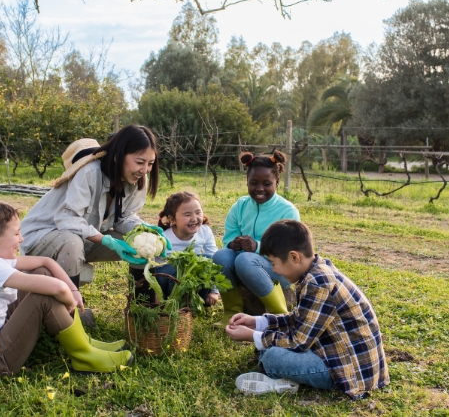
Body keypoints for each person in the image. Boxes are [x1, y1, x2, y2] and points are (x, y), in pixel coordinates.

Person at [0, 200, 132, 376]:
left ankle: (85, 343)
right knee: (43, 296)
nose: (21, 239)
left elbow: (46, 261)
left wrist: (74, 290)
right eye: (16, 234)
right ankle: (84, 356)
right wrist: (70, 300)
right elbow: (58, 289)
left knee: (42, 272)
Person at [225, 220, 389, 400]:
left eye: (273, 263)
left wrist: (252, 336)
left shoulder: (319, 283)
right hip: (333, 350)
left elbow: (298, 341)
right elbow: (299, 318)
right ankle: (283, 376)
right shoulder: (316, 272)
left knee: (272, 357)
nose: (274, 270)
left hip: (349, 370)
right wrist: (258, 322)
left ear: (295, 257)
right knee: (269, 345)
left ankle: (281, 381)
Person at [20, 125, 169, 291]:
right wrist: (105, 240)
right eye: (140, 162)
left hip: (80, 238)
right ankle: (69, 312)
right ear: (117, 156)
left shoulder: (136, 179)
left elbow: (124, 217)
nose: (145, 170)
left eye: (150, 163)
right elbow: (67, 219)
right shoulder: (90, 172)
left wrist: (143, 228)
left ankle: (144, 310)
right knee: (72, 242)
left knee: (144, 243)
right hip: (41, 238)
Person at [212, 150, 299, 327]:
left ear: (277, 182)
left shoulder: (287, 211)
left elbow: (288, 253)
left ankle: (279, 315)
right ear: (247, 182)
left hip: (279, 271)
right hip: (247, 265)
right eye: (253, 183)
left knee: (245, 259)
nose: (259, 189)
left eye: (267, 183)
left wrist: (258, 246)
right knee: (220, 256)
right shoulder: (240, 206)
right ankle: (232, 313)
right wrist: (233, 243)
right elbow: (227, 238)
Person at [152, 191, 219, 304]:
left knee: (210, 259)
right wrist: (156, 294)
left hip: (190, 279)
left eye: (198, 212)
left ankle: (195, 302)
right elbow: (151, 266)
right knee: (177, 267)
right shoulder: (163, 237)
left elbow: (215, 260)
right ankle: (172, 304)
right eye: (187, 215)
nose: (194, 218)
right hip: (165, 278)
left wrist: (214, 291)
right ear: (172, 219)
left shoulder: (204, 231)